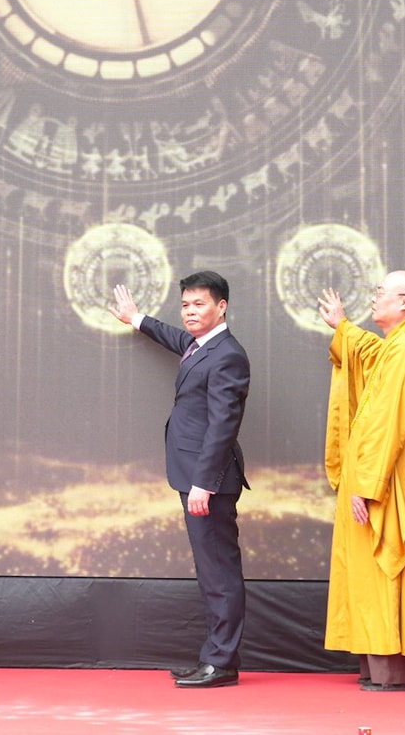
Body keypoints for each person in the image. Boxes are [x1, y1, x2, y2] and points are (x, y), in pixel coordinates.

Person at [108, 271, 250, 688]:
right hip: (194, 477)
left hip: (209, 481)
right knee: (210, 571)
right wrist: (137, 318)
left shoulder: (228, 354)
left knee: (219, 571)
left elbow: (225, 425)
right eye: (186, 305)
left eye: (199, 304)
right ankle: (214, 656)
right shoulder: (200, 345)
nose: (190, 312)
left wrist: (204, 482)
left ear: (221, 307)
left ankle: (222, 662)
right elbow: (176, 338)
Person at [316, 270, 405, 691]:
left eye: (380, 293)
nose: (374, 298)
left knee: (390, 567)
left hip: (391, 479)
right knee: (370, 573)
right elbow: (371, 355)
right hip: (381, 473)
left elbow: (389, 422)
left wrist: (368, 487)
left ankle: (396, 669)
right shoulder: (399, 345)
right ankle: (379, 664)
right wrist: (344, 328)